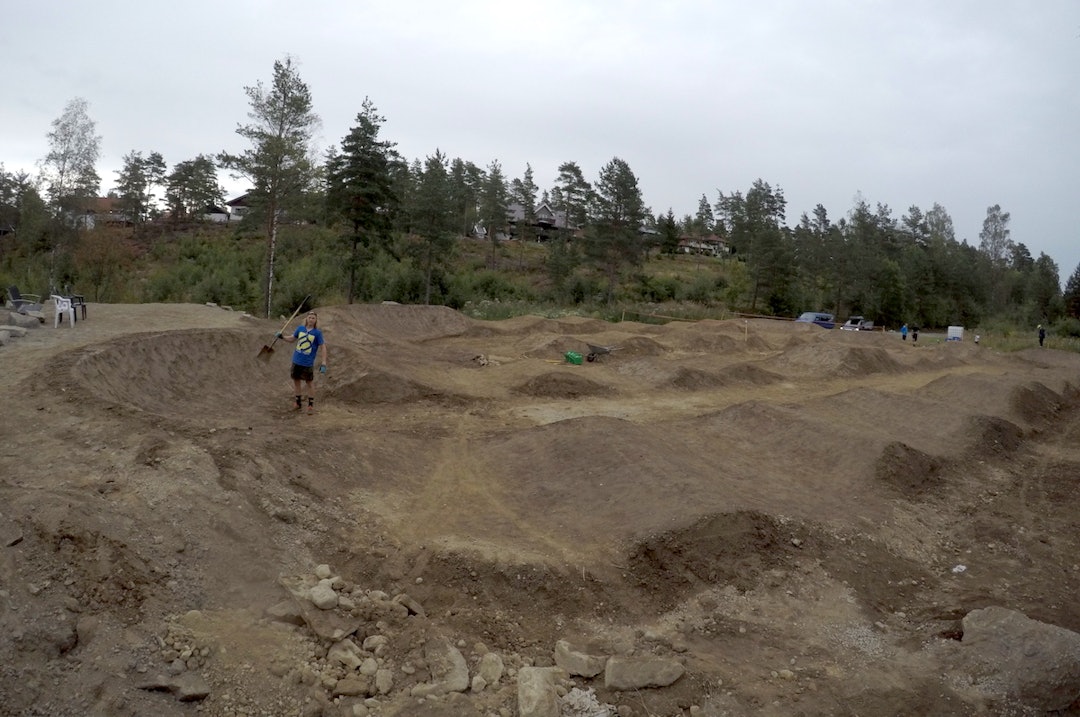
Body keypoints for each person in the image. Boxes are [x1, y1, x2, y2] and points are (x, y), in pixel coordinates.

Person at [276, 311, 328, 414]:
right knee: (296, 381)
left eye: (313, 318)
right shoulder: (300, 329)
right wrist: (282, 337)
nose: (311, 319)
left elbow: (323, 347)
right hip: (296, 360)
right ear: (306, 319)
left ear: (316, 320)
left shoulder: (317, 333)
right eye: (310, 317)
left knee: (309, 383)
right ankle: (298, 402)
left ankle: (310, 405)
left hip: (307, 362)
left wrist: (324, 362)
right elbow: (292, 339)